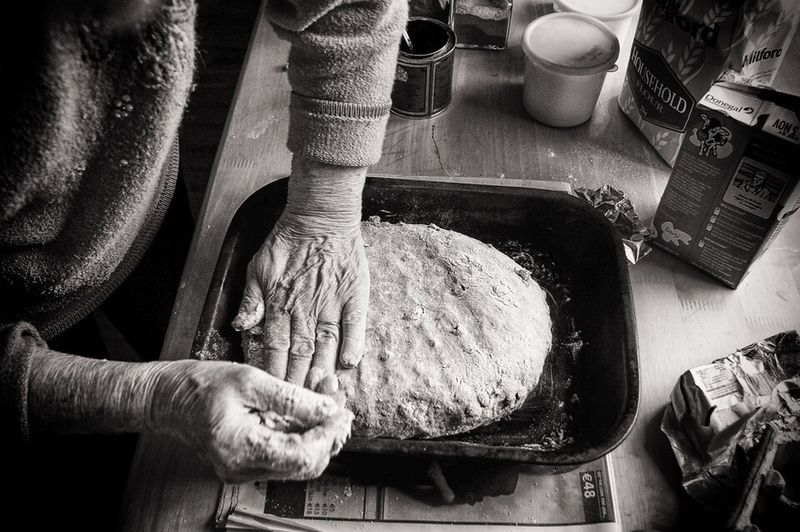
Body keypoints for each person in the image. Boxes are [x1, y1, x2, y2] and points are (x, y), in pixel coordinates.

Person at [0, 0, 407, 527]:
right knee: (106, 487)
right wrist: (153, 394)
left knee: (187, 329)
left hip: (130, 197)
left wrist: (325, 206)